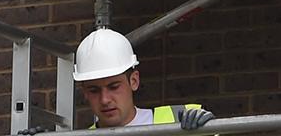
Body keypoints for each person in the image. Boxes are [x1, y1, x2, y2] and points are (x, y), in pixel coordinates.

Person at [72, 27, 213, 129]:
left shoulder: (179, 120)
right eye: (94, 90)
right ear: (85, 92)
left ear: (134, 81)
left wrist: (211, 130)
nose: (105, 100)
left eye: (114, 87)